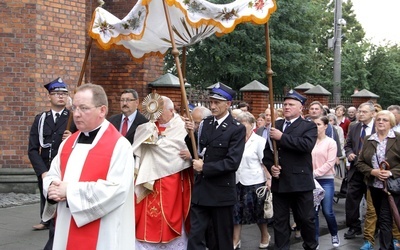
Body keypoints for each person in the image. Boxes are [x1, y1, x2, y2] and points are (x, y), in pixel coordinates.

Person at [42, 83, 135, 249]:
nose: (76, 114)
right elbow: (53, 173)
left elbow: (116, 190)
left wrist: (69, 192)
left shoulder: (119, 146)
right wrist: (50, 187)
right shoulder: (67, 143)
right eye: (74, 108)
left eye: (83, 108)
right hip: (66, 224)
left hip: (102, 232)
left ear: (102, 110)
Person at [186, 83, 246, 250]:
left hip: (221, 193)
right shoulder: (206, 124)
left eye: (217, 102)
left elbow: (232, 162)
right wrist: (189, 133)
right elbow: (196, 150)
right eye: (211, 102)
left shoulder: (236, 129)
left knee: (220, 240)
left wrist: (205, 168)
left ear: (228, 104)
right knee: (195, 237)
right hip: (202, 190)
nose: (212, 106)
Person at [133, 96, 192, 250]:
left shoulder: (183, 127)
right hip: (148, 178)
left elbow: (183, 150)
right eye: (155, 110)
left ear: (171, 110)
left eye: (160, 110)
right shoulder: (147, 126)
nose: (157, 114)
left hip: (171, 178)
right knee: (146, 215)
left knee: (169, 212)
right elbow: (136, 146)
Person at [262, 89, 318, 250]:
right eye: (285, 104)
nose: (287, 107)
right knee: (279, 220)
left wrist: (282, 137)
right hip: (280, 181)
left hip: (300, 181)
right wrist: (271, 166)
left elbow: (306, 146)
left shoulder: (308, 126)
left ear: (301, 108)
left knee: (306, 219)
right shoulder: (276, 125)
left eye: (291, 104)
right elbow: (267, 152)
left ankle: (310, 245)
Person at [28, 77, 77, 250]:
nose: (61, 96)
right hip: (46, 169)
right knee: (47, 199)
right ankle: (46, 221)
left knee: (61, 205)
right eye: (56, 93)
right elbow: (33, 149)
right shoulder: (41, 119)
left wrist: (73, 138)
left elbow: (85, 145)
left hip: (66, 170)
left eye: (64, 93)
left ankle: (55, 236)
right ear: (49, 96)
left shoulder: (74, 119)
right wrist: (42, 172)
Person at [357, 110, 400, 250]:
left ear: (391, 123)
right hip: (374, 186)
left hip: (393, 186)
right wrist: (372, 171)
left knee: (385, 218)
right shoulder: (369, 139)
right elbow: (360, 162)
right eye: (379, 119)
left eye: (385, 120)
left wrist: (391, 173)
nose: (381, 122)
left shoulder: (398, 138)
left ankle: (386, 247)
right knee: (382, 217)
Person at [233, 111, 272, 249]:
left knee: (258, 212)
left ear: (252, 125)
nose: (241, 127)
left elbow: (265, 162)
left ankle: (265, 235)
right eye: (238, 124)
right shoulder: (234, 140)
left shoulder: (259, 141)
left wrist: (268, 179)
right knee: (236, 212)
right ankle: (236, 239)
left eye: (244, 124)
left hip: (255, 182)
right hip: (237, 180)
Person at [344, 102, 375, 240]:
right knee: (352, 199)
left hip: (372, 170)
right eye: (359, 111)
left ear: (372, 113)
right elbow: (348, 144)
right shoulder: (354, 126)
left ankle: (374, 227)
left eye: (364, 112)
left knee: (373, 201)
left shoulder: (377, 127)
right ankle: (353, 226)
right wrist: (349, 152)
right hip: (356, 170)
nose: (361, 114)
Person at [312, 116, 340, 247]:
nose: (315, 126)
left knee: (327, 210)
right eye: (314, 124)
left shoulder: (331, 143)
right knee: (313, 211)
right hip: (311, 180)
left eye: (318, 124)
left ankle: (334, 234)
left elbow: (330, 162)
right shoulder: (309, 141)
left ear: (325, 126)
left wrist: (315, 173)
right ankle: (315, 239)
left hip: (326, 180)